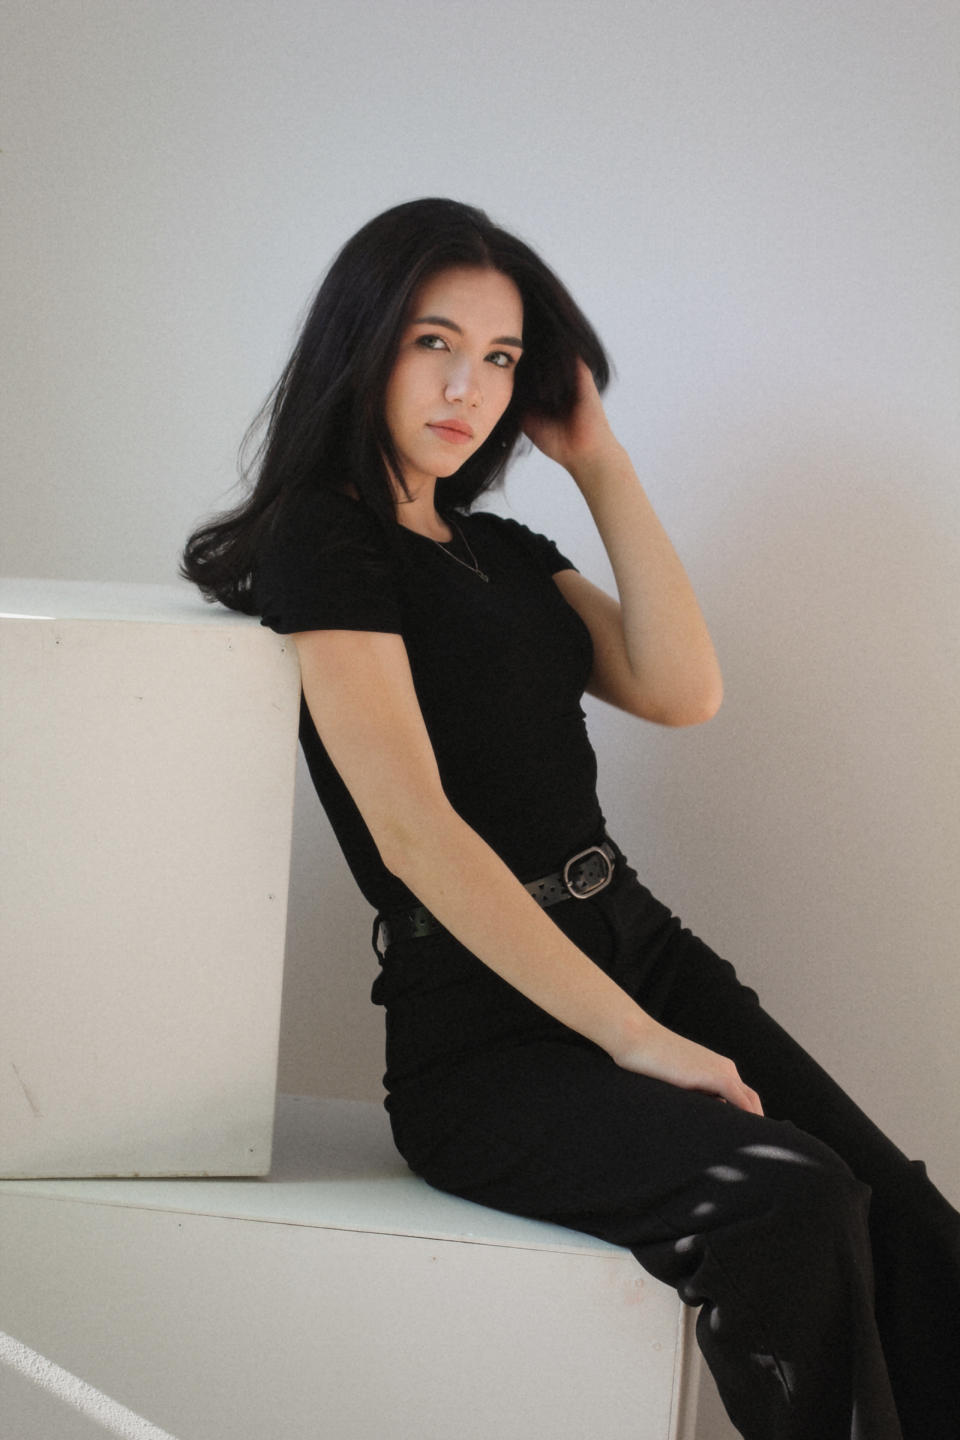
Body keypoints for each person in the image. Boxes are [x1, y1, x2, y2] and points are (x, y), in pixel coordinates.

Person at [182, 197, 959, 1439]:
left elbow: (682, 688)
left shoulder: (499, 543)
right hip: (482, 1033)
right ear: (363, 342)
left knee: (909, 1219)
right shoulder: (325, 542)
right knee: (792, 1200)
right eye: (435, 343)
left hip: (636, 939)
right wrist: (637, 1041)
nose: (470, 388)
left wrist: (599, 461)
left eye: (500, 358)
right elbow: (415, 832)